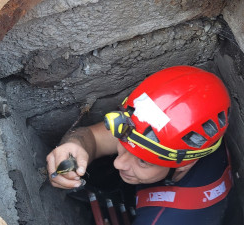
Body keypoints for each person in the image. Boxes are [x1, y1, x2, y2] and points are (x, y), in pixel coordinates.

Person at [47, 65, 233, 225]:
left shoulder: (161, 220)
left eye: (143, 161)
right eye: (124, 143)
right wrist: (76, 145)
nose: (118, 163)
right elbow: (94, 138)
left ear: (185, 164)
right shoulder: (186, 139)